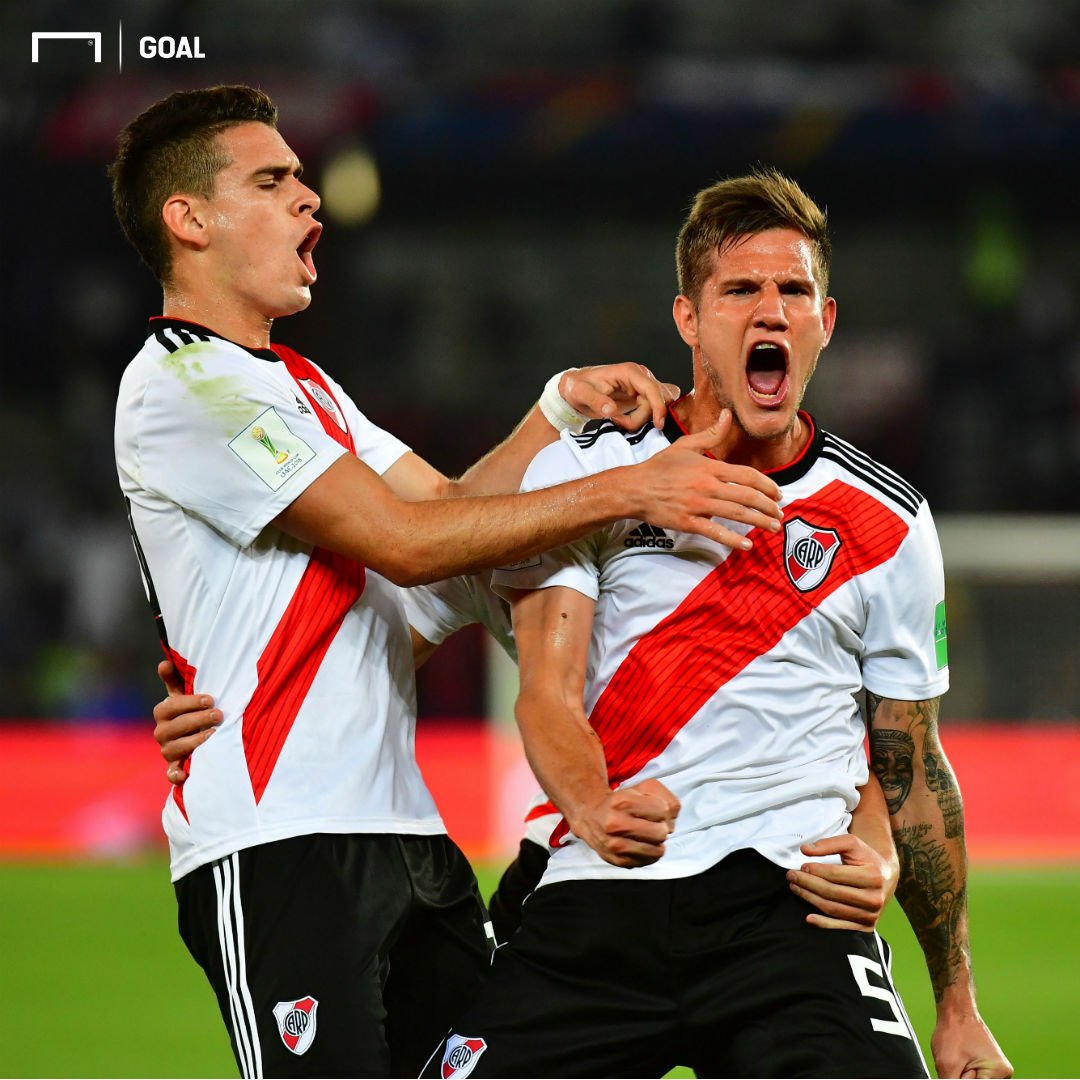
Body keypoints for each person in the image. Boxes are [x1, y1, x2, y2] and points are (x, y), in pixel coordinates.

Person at [109, 84, 786, 1079]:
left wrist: (555, 413)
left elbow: (453, 523)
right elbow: (407, 543)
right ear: (190, 219)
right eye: (272, 180)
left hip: (406, 833)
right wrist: (631, 488)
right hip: (280, 839)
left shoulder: (304, 386)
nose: (309, 198)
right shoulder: (184, 383)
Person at [421, 168, 1013, 1079]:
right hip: (601, 889)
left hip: (794, 907)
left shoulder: (889, 521)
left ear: (825, 322)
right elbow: (545, 694)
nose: (771, 311)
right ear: (689, 321)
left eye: (794, 292)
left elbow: (910, 763)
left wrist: (958, 1003)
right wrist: (592, 807)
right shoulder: (592, 474)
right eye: (740, 290)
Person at [152, 575, 901, 943]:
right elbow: (348, 663)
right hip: (573, 876)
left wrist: (883, 854)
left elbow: (850, 740)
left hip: (761, 887)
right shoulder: (547, 532)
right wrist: (231, 707)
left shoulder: (801, 536)